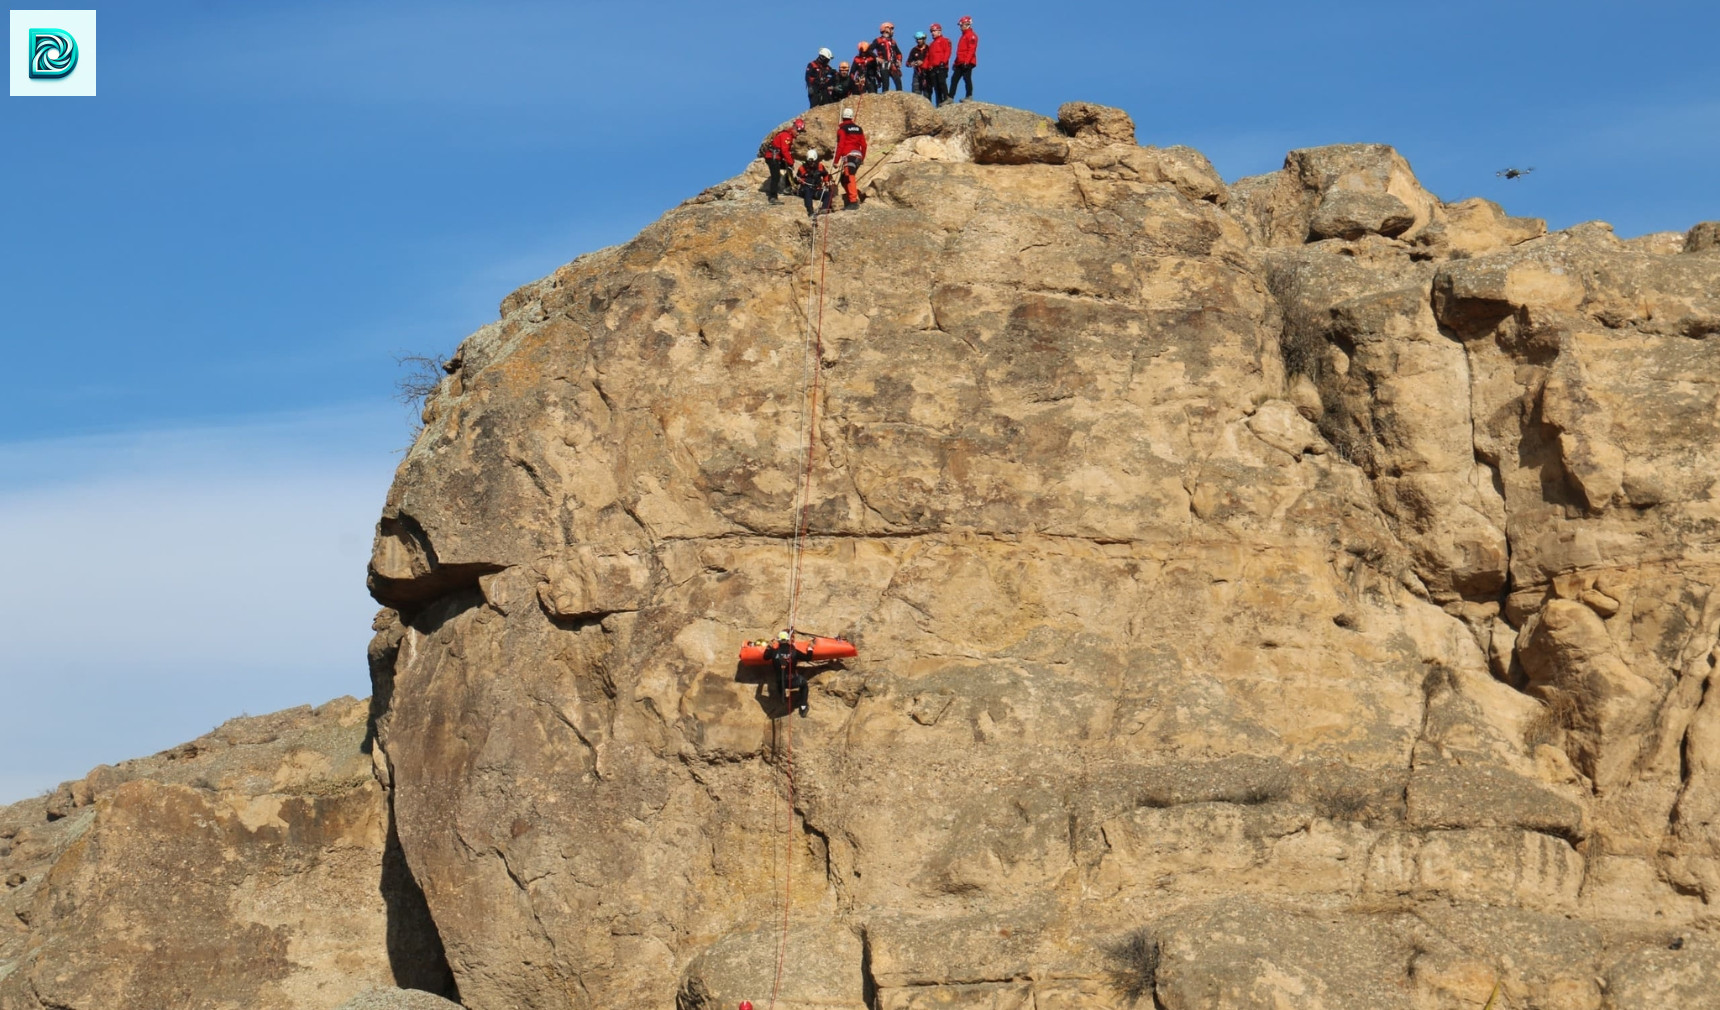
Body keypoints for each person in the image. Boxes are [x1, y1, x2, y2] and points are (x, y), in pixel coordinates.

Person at [762, 630, 813, 716]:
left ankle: (783, 697)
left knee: (779, 681)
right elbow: (808, 657)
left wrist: (769, 647)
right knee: (804, 684)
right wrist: (810, 647)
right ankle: (803, 706)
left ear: (778, 641)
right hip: (793, 681)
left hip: (780, 682)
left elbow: (765, 657)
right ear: (788, 640)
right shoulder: (794, 651)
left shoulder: (773, 652)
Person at [762, 117, 806, 204]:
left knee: (788, 168)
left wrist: (789, 162)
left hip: (775, 157)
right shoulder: (787, 136)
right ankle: (773, 197)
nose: (798, 134)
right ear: (795, 128)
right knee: (776, 177)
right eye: (798, 131)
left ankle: (787, 187)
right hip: (773, 157)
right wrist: (790, 161)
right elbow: (784, 150)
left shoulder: (788, 135)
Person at [834, 108, 868, 210]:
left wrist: (836, 161)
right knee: (844, 179)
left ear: (842, 117)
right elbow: (864, 145)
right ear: (851, 117)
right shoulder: (859, 129)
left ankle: (853, 201)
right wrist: (862, 158)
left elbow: (840, 145)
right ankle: (851, 198)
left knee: (849, 177)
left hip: (849, 156)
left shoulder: (842, 130)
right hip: (858, 156)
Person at [796, 150, 834, 218]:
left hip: (816, 190)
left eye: (813, 161)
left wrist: (826, 181)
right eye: (810, 162)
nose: (811, 163)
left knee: (828, 194)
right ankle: (810, 211)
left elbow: (825, 174)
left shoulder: (820, 166)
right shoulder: (802, 168)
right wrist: (808, 179)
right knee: (807, 191)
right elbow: (797, 179)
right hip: (805, 189)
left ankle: (824, 208)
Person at [950, 16, 978, 102]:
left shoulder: (972, 36)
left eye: (961, 25)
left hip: (967, 62)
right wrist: (955, 63)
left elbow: (971, 49)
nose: (960, 27)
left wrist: (967, 61)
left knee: (967, 78)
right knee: (954, 79)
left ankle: (969, 96)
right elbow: (959, 51)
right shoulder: (963, 36)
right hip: (960, 62)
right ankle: (950, 97)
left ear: (967, 24)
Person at [924, 23, 952, 107]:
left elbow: (947, 51)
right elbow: (928, 57)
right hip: (933, 68)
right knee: (936, 86)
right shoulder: (931, 44)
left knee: (942, 82)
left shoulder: (944, 40)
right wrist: (926, 67)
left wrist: (943, 61)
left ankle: (946, 98)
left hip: (941, 66)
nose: (932, 33)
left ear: (939, 31)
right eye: (931, 31)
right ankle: (939, 103)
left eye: (934, 31)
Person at [874, 23, 903, 92]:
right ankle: (885, 99)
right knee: (885, 84)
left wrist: (899, 61)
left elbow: (899, 53)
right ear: (886, 29)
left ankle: (900, 99)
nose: (893, 31)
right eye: (891, 29)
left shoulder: (893, 42)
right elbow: (869, 50)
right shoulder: (878, 40)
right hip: (884, 64)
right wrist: (876, 58)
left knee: (898, 83)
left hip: (893, 65)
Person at [905, 31, 930, 98]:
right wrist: (913, 63)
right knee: (915, 94)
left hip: (927, 73)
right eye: (917, 39)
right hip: (917, 74)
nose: (918, 41)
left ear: (924, 39)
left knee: (927, 94)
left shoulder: (929, 49)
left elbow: (932, 60)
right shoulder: (914, 50)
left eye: (920, 39)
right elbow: (907, 63)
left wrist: (923, 63)